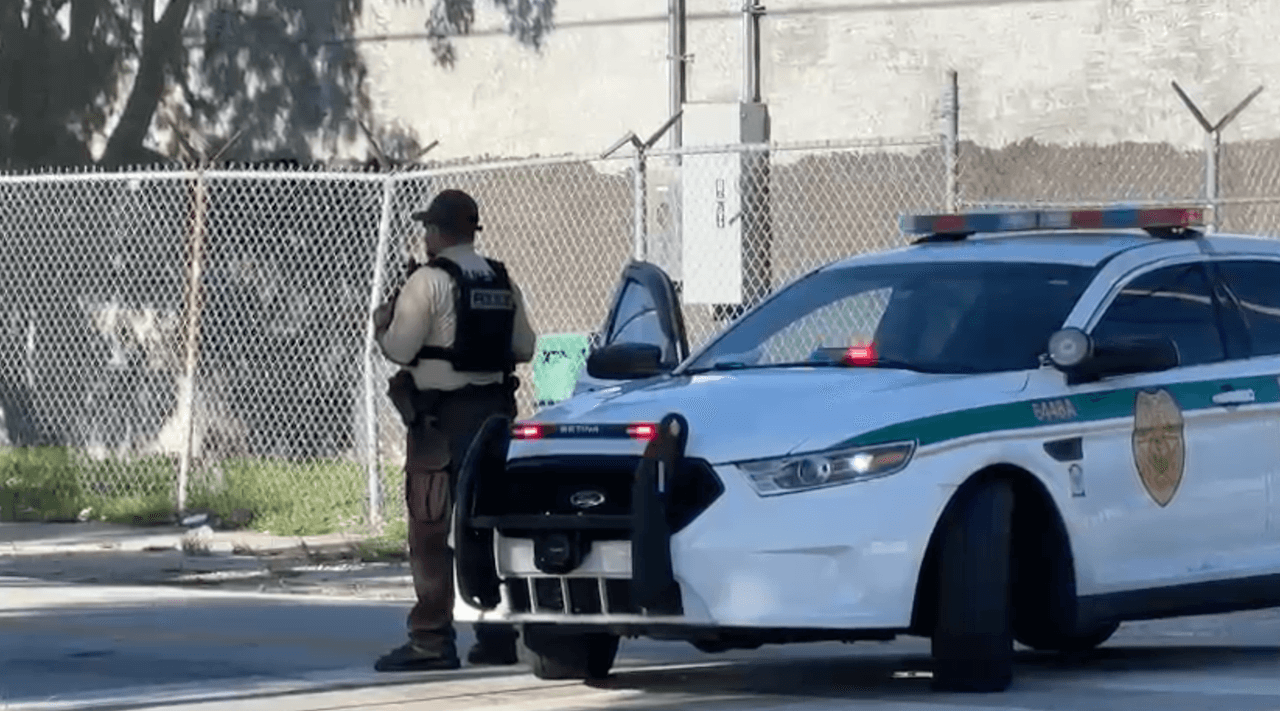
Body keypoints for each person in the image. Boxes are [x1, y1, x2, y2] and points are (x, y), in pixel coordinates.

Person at [372, 189, 536, 672]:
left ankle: (430, 638)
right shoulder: (501, 278)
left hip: (440, 423)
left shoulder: (426, 281)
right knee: (486, 524)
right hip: (496, 416)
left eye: (427, 229)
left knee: (429, 528)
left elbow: (401, 349)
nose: (424, 236)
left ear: (437, 233)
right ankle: (497, 633)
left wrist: (383, 325)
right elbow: (524, 346)